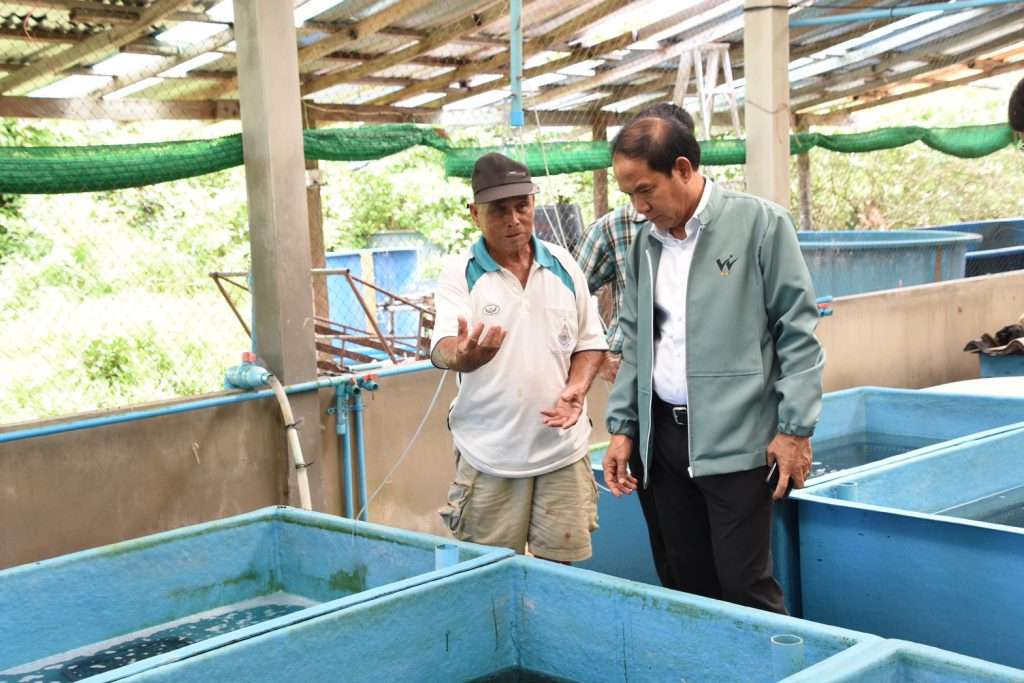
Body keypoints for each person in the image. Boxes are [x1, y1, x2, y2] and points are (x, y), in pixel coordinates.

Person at [602, 116, 824, 613]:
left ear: (682, 169)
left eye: (645, 191)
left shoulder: (760, 225)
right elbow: (638, 340)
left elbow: (797, 330)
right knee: (685, 582)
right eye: (629, 195)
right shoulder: (645, 246)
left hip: (738, 440)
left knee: (744, 584)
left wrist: (794, 429)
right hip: (663, 442)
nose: (638, 208)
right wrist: (623, 427)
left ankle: (774, 656)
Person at [431, 152, 607, 563]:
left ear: (533, 204)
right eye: (498, 210)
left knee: (561, 571)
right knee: (487, 573)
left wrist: (577, 388)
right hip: (490, 455)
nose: (513, 220)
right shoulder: (461, 272)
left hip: (562, 451)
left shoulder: (564, 265)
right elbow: (442, 347)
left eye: (521, 206)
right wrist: (465, 356)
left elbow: (590, 341)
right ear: (475, 213)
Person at [574, 103, 696, 382]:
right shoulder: (615, 228)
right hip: (633, 373)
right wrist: (594, 355)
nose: (641, 206)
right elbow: (564, 297)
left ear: (683, 165)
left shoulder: (734, 225)